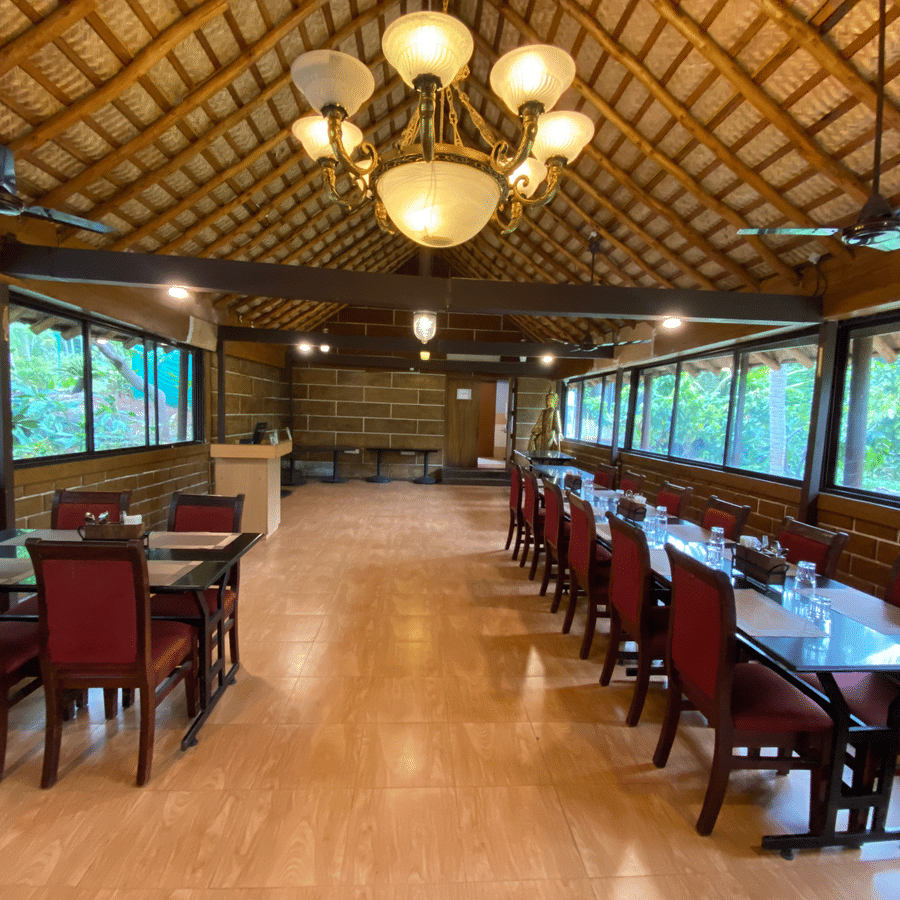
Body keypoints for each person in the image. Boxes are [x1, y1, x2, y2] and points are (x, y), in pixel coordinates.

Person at [527, 389, 562, 454]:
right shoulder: (544, 411)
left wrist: (559, 432)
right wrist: (535, 433)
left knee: (548, 452)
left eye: (551, 399)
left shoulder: (555, 412)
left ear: (554, 401)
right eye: (548, 399)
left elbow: (557, 423)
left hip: (550, 435)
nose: (549, 401)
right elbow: (539, 422)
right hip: (542, 434)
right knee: (539, 449)